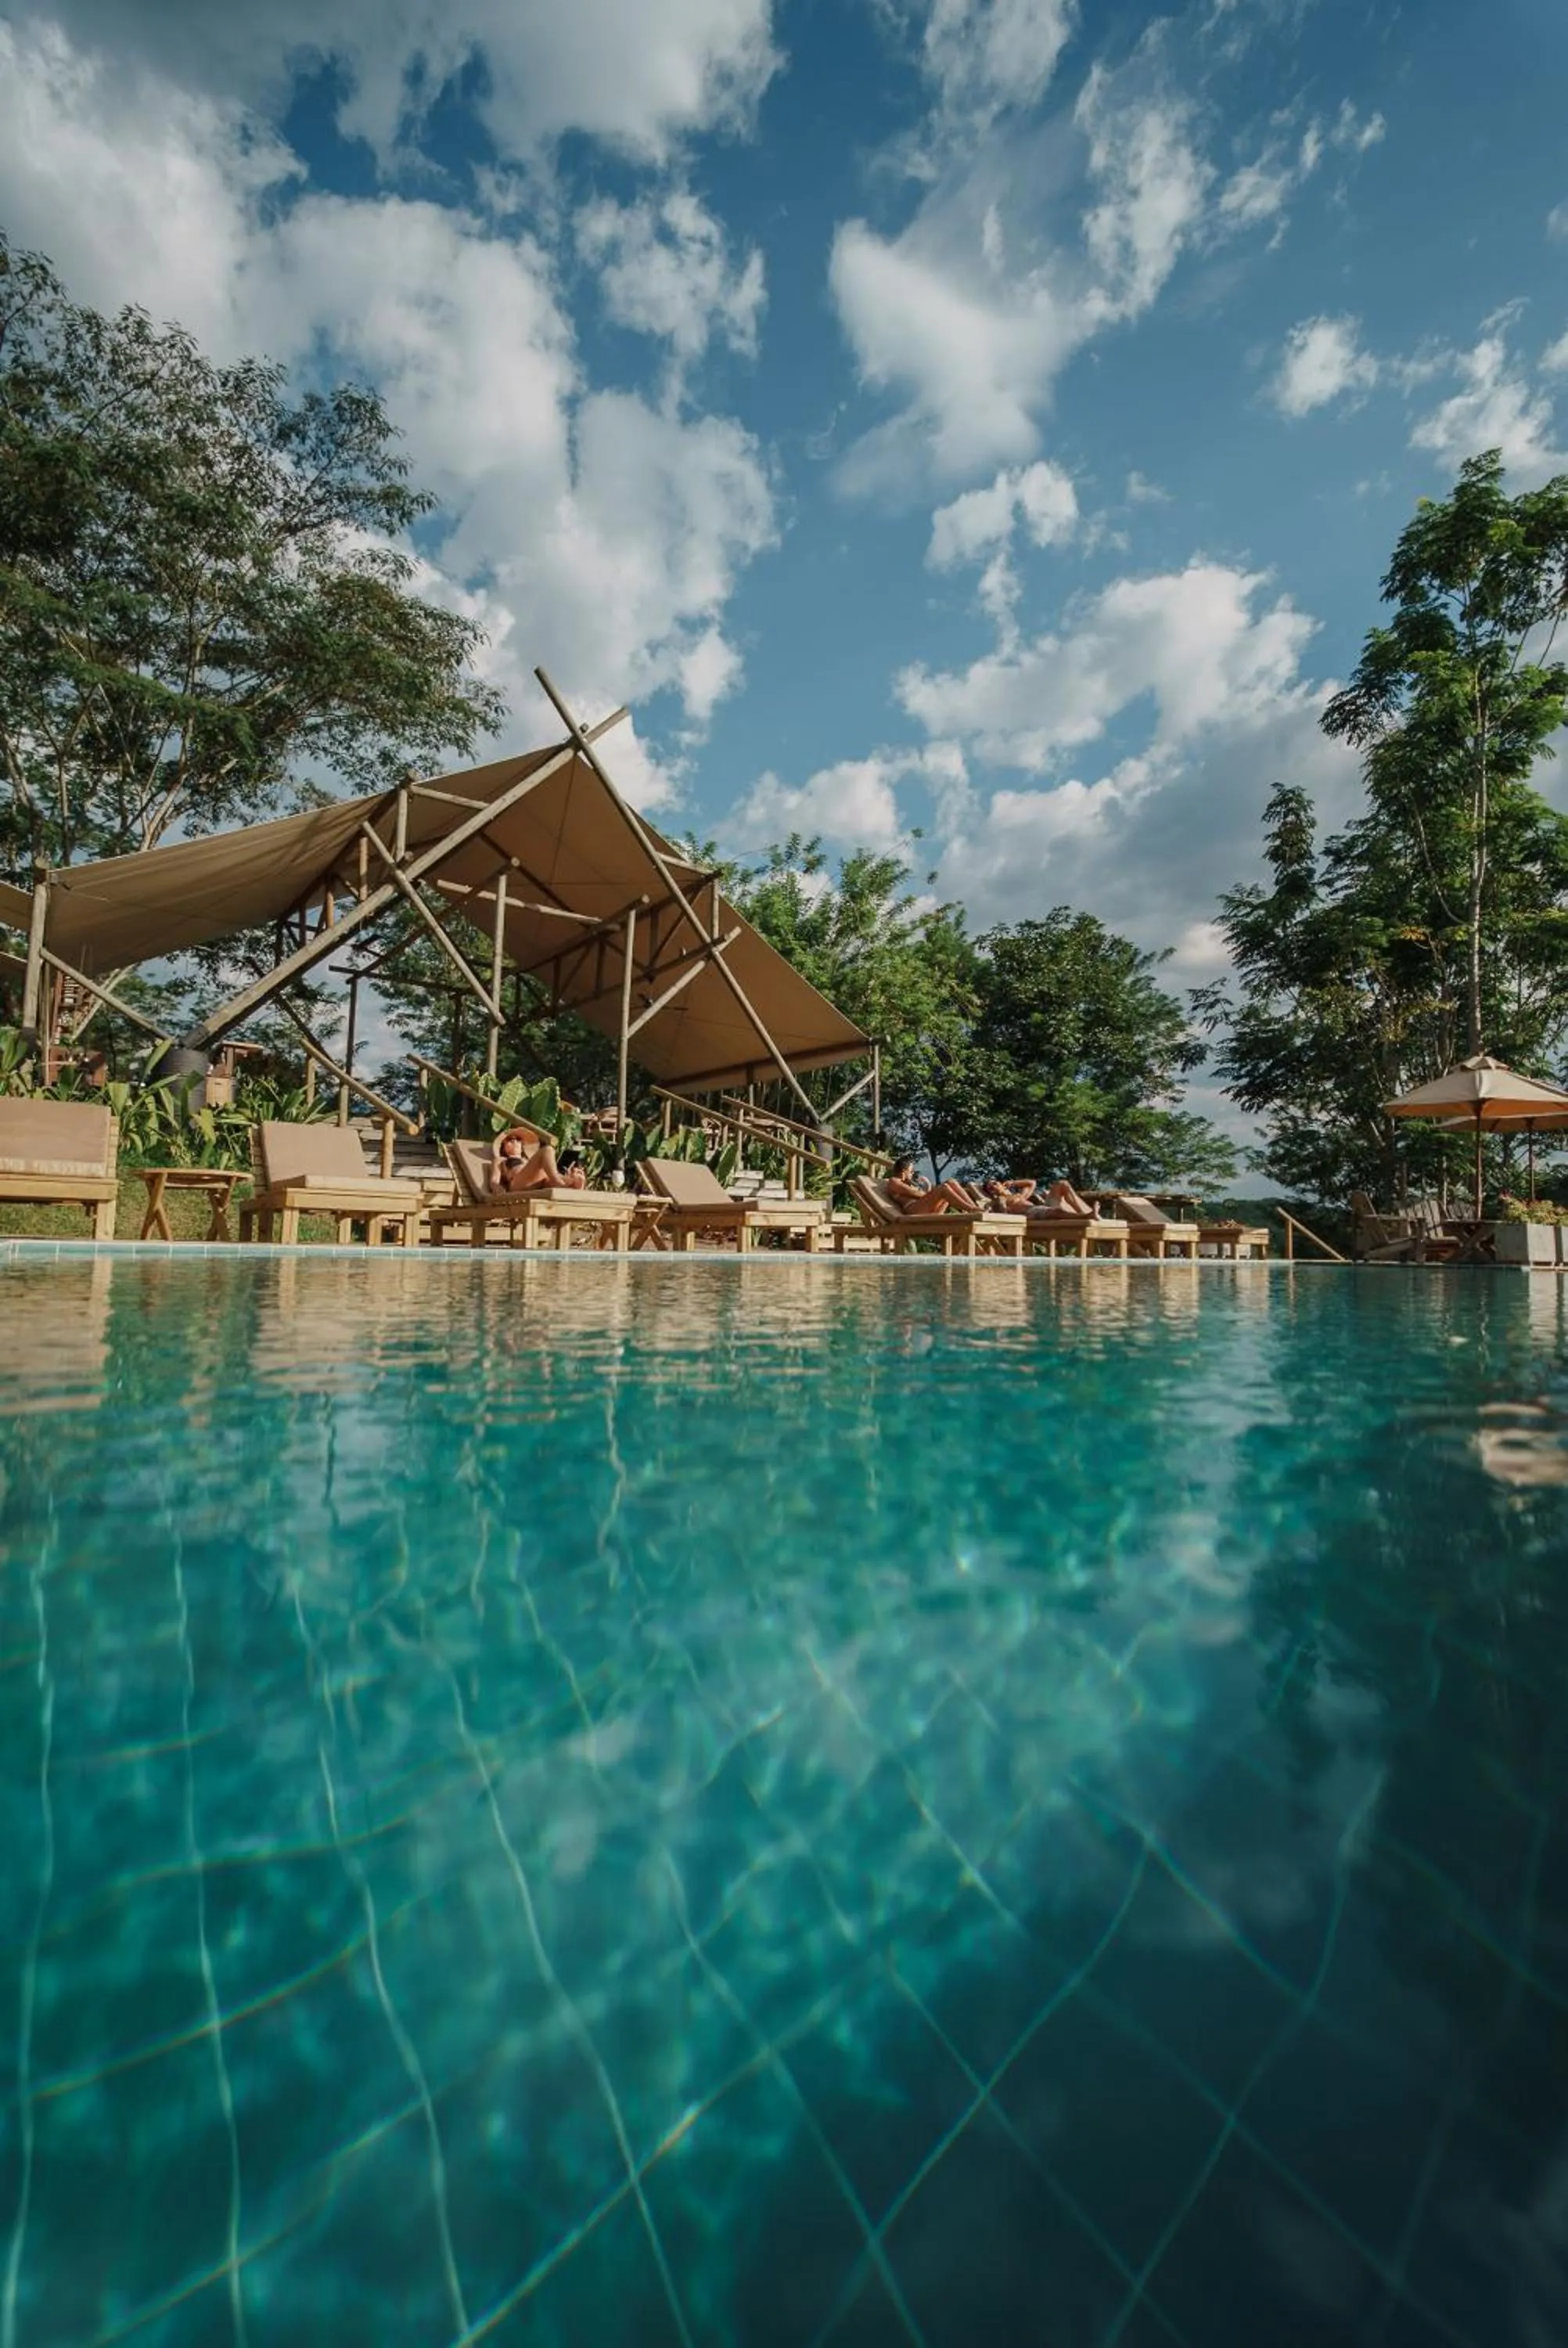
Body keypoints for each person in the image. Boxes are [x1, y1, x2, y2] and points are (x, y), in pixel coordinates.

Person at [491, 1129, 588, 1194]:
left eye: (518, 1140)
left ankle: (573, 1183)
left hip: (540, 1182)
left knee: (546, 1174)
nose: (515, 1142)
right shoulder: (501, 1160)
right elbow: (494, 1180)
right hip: (518, 1183)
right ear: (503, 1146)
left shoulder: (528, 1160)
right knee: (547, 1150)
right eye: (510, 1140)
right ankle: (559, 1180)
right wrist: (497, 1187)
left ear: (522, 1145)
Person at [883, 1155, 977, 1216]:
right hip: (914, 1210)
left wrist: (930, 1190)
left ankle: (974, 1208)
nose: (913, 1173)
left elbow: (922, 1195)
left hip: (923, 1208)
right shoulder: (894, 1181)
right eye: (911, 1171)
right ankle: (971, 1209)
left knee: (951, 1182)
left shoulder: (906, 1182)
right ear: (904, 1171)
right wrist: (931, 1192)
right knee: (943, 1189)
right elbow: (916, 1193)